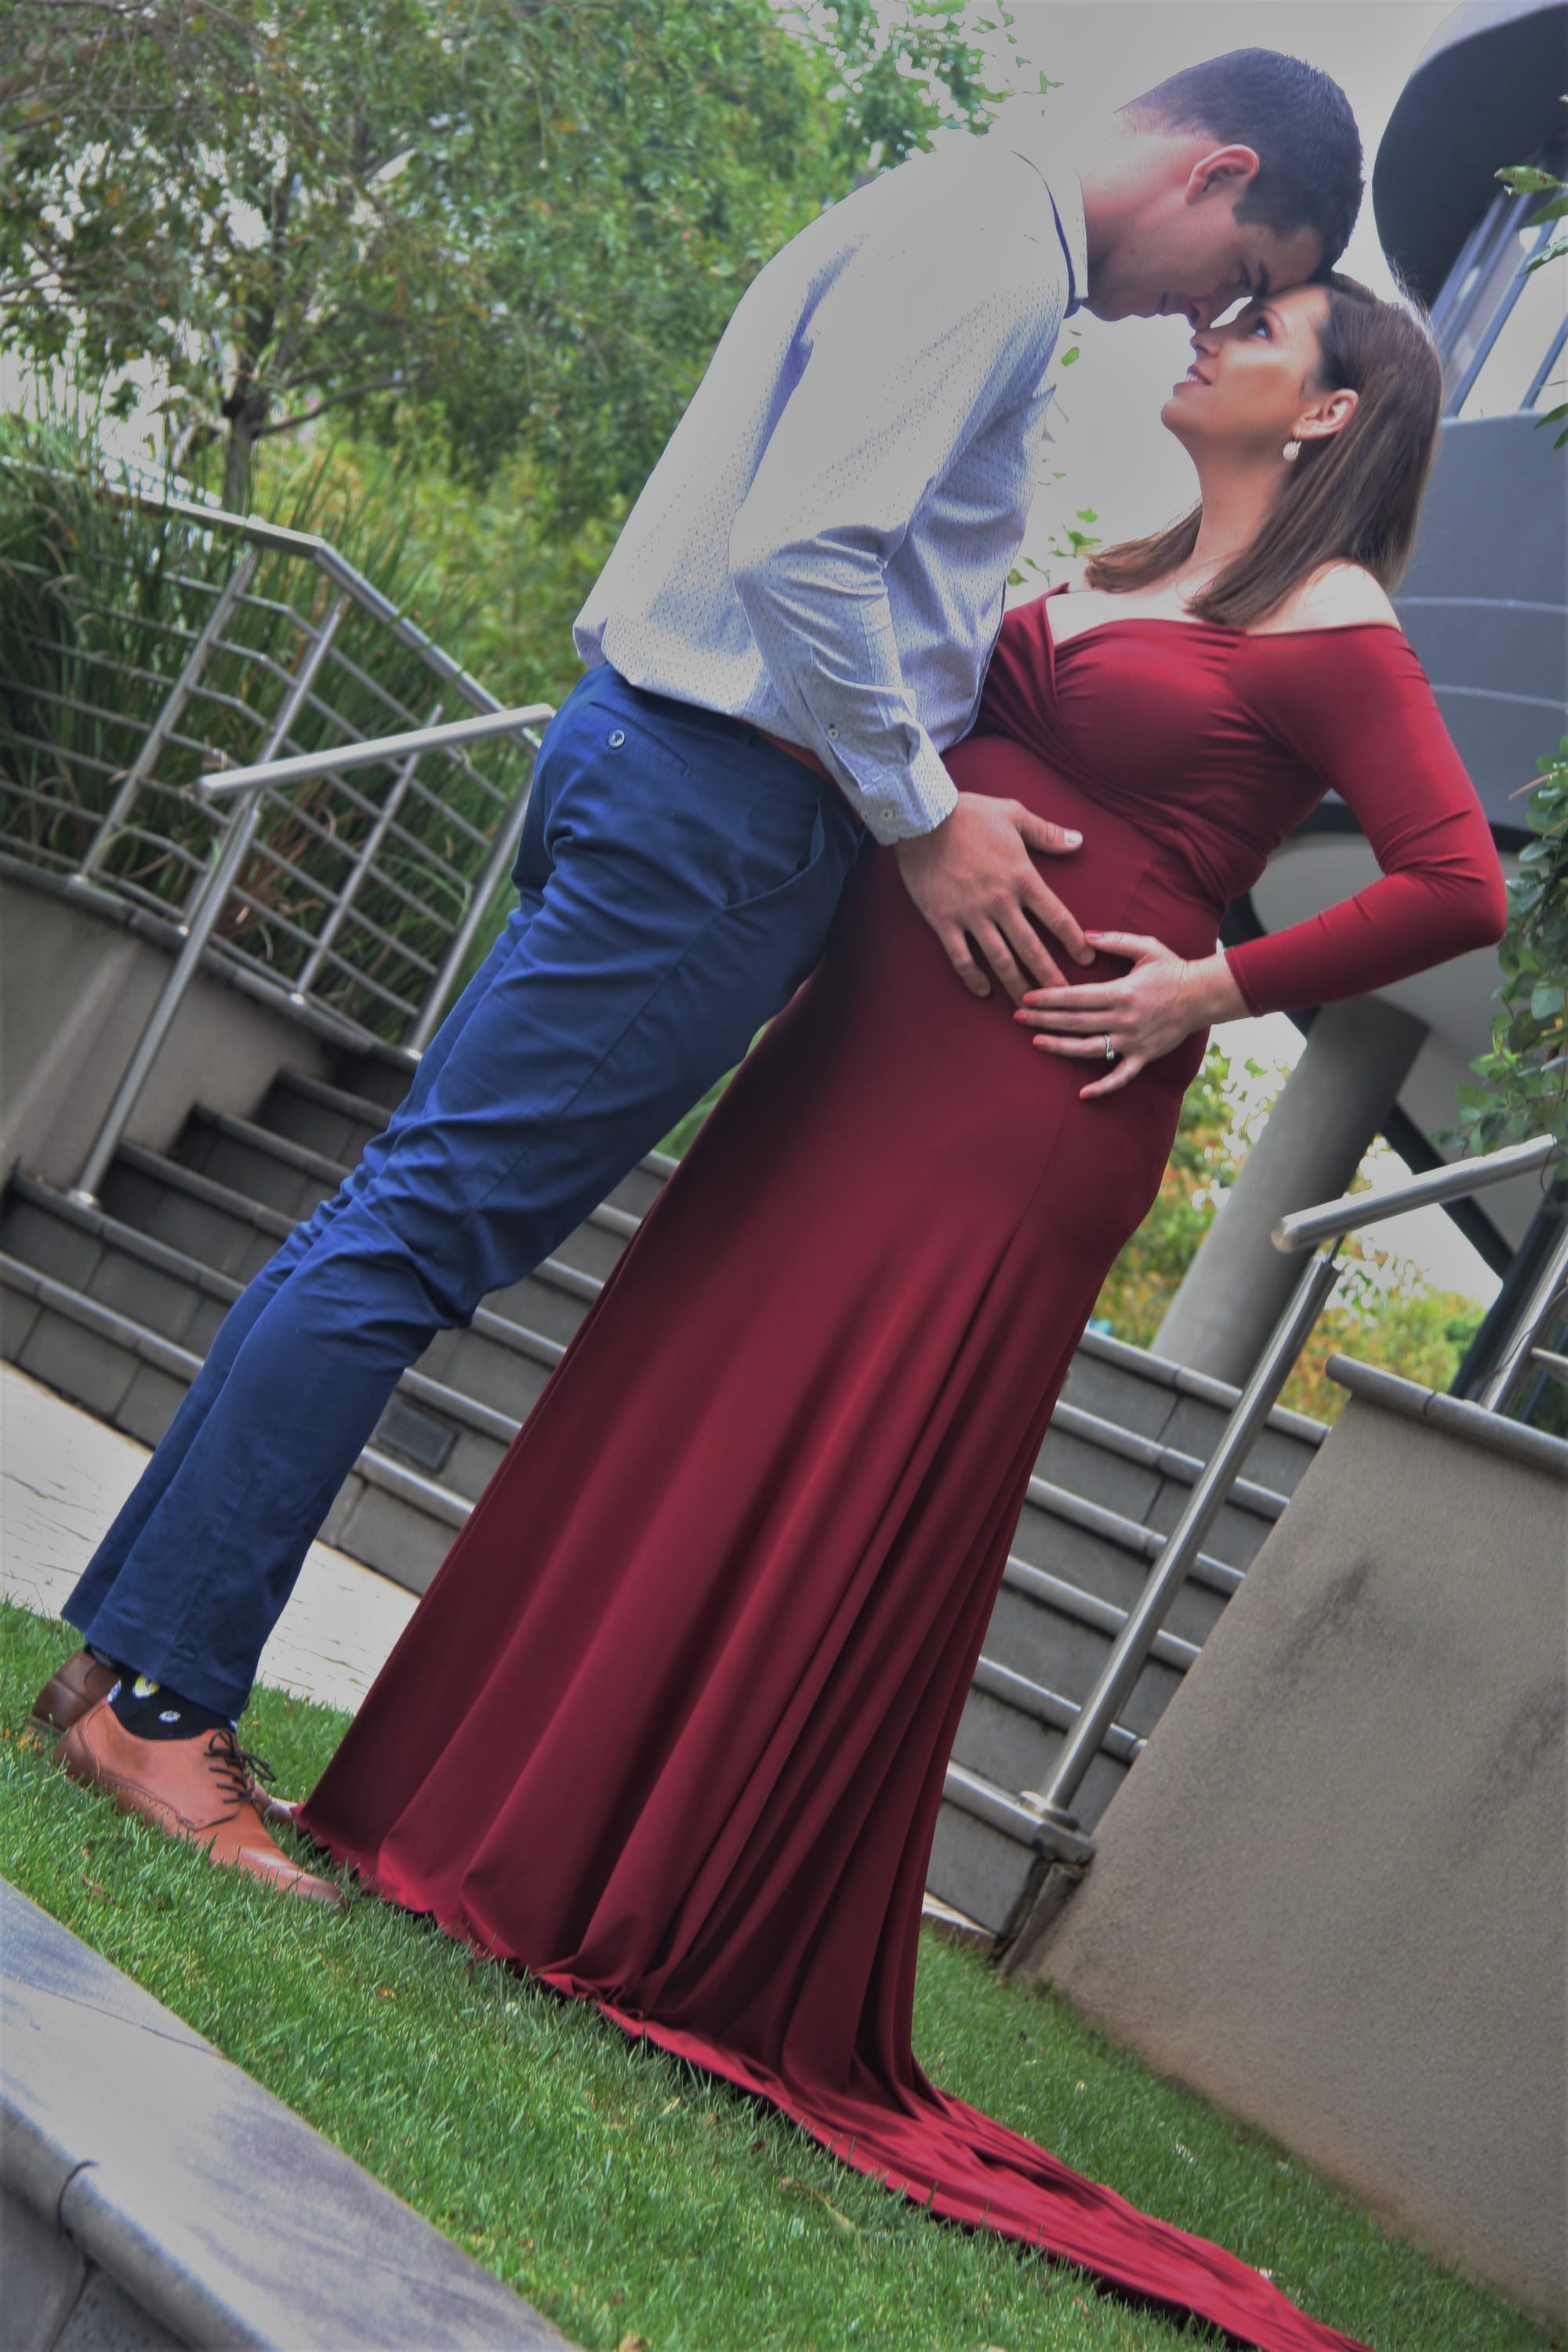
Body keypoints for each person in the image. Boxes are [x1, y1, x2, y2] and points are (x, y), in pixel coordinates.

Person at [287, 277, 1501, 2352]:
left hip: (1021, 1101)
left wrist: (1211, 987)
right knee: (691, 1388)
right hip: (859, 1037)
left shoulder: (1334, 624)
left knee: (817, 1442)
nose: (1207, 331)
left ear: (1331, 415)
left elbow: (1457, 883)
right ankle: (484, 1814)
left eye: (1258, 322)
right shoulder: (1131, 563)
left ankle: (651, 1890)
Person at [35, 50, 1367, 1896]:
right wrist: (919, 814)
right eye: (1237, 275)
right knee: (413, 1239)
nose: (1194, 320)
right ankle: (163, 1707)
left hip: (668, 771)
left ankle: (117, 1668)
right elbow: (808, 551)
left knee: (391, 1215)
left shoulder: (953, 211)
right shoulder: (996, 259)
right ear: (1214, 170)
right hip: (722, 813)